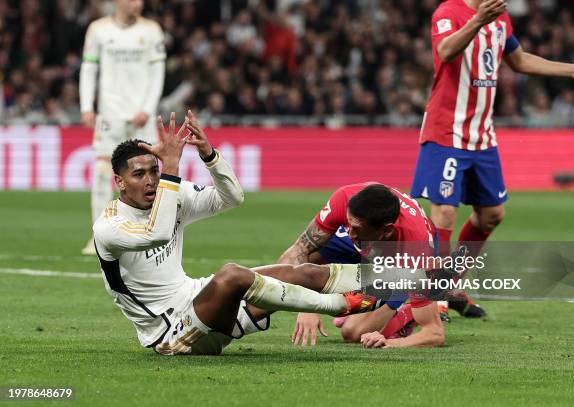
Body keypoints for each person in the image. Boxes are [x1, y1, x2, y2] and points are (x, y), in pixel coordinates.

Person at [93, 111, 418, 356]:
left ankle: (410, 282)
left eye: (154, 170)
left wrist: (208, 155)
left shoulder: (170, 193)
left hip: (199, 302)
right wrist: (172, 171)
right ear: (119, 182)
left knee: (299, 272)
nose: (150, 180)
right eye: (139, 174)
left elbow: (232, 197)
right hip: (171, 334)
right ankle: (337, 305)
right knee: (233, 274)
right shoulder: (110, 227)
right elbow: (158, 234)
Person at [411, 0, 574, 319]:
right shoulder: (448, 12)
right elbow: (445, 52)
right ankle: (435, 299)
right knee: (445, 211)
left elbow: (517, 60)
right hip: (446, 131)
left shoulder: (501, 17)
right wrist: (477, 21)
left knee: (491, 215)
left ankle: (452, 283)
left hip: (482, 136)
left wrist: (571, 69)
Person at [279, 183, 445, 348]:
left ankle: (406, 312)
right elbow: (298, 250)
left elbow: (434, 333)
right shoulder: (344, 199)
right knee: (285, 266)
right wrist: (308, 306)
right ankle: (252, 319)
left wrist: (391, 343)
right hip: (366, 238)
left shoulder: (416, 250)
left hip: (394, 259)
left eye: (355, 227)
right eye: (348, 223)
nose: (348, 231)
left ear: (386, 231)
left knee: (353, 332)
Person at [80, 0, 166, 255]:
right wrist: (87, 106)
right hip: (110, 115)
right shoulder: (98, 30)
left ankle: (151, 232)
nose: (138, 3)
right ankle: (98, 235)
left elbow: (157, 72)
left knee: (150, 172)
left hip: (141, 115)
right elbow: (88, 68)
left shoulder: (152, 30)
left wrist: (148, 109)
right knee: (103, 170)